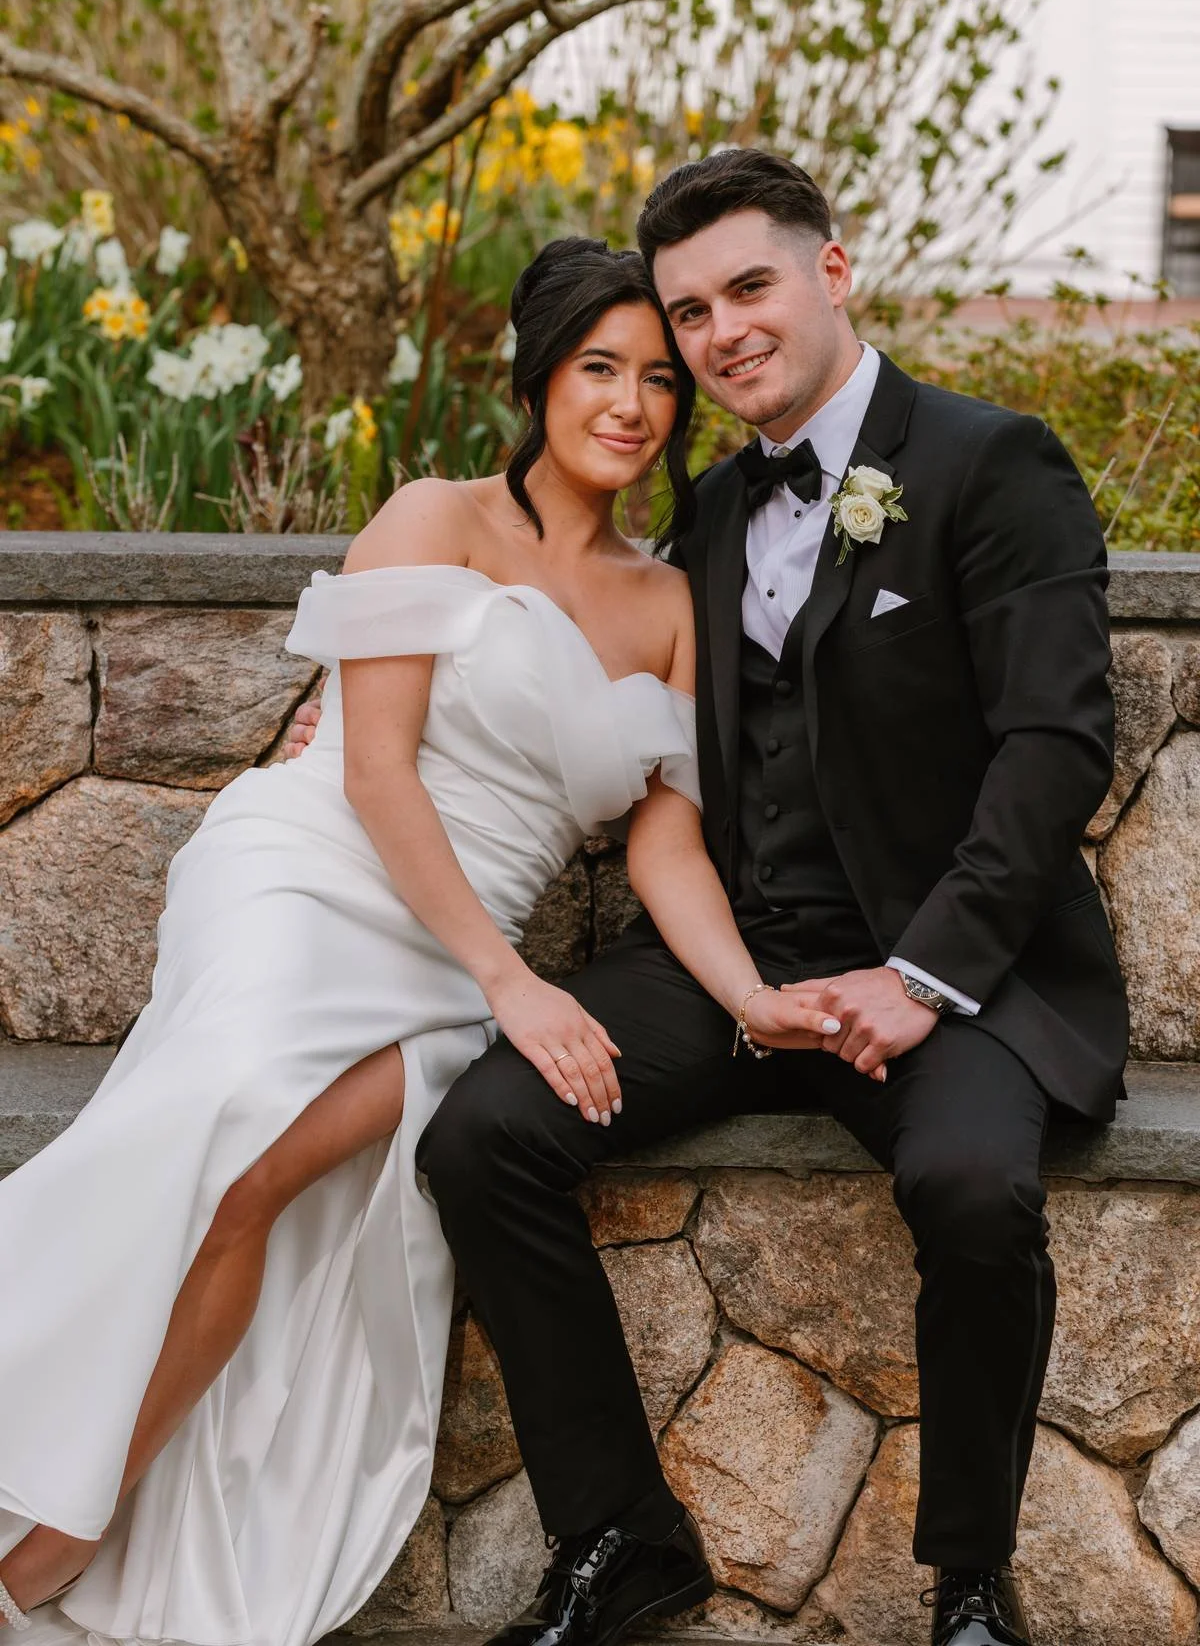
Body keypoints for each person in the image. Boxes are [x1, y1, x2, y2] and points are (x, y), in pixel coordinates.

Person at [290, 154, 1127, 1646]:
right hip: (739, 957)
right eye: (692, 309)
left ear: (833, 271)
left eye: (749, 286)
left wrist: (921, 977)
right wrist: (352, 709)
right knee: (485, 1136)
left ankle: (973, 1589)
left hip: (948, 970)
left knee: (973, 1192)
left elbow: (1056, 745)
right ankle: (622, 1538)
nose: (722, 329)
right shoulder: (710, 512)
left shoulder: (997, 464)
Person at [0, 239, 846, 1646]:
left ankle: (49, 1544)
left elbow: (666, 843)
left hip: (458, 968)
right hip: (310, 875)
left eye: (656, 380)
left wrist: (755, 994)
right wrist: (518, 989)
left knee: (258, 1182)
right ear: (538, 377)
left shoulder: (668, 603)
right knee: (223, 1115)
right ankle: (43, 1542)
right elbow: (376, 771)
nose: (631, 405)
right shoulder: (432, 517)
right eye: (598, 370)